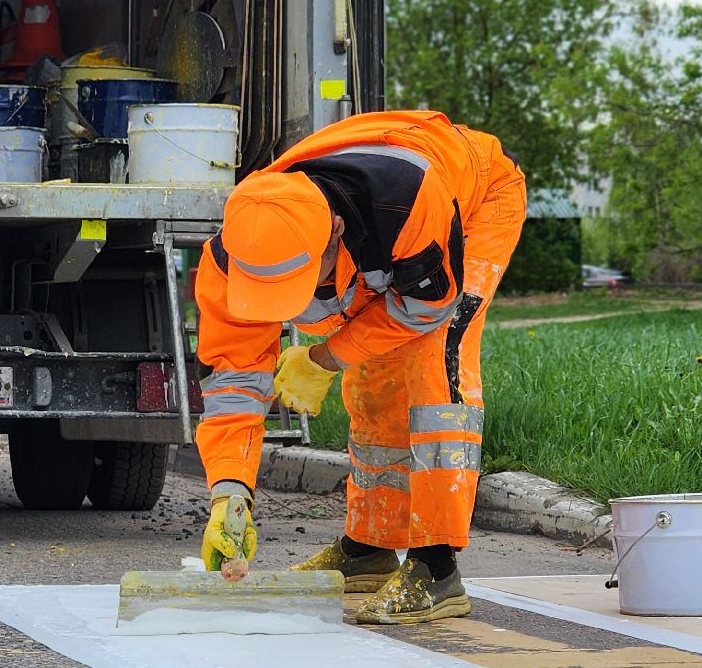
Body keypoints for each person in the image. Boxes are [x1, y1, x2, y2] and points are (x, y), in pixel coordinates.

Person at [193, 110, 526, 624]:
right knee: (373, 377)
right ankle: (368, 548)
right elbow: (234, 379)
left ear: (336, 231)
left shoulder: (406, 198)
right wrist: (230, 493)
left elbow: (425, 308)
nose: (293, 303)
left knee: (432, 356)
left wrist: (325, 357)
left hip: (473, 195)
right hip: (392, 228)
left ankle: (437, 567)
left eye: (305, 280)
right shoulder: (239, 250)